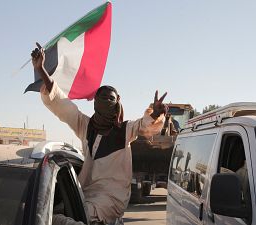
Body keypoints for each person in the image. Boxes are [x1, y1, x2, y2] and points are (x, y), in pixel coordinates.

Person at [31, 43, 168, 225]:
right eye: (102, 98)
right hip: (84, 193)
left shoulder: (125, 130)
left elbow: (145, 126)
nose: (106, 102)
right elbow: (62, 104)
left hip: (111, 199)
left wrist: (156, 113)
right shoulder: (86, 125)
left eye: (110, 99)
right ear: (95, 102)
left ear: (117, 102)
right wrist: (40, 69)